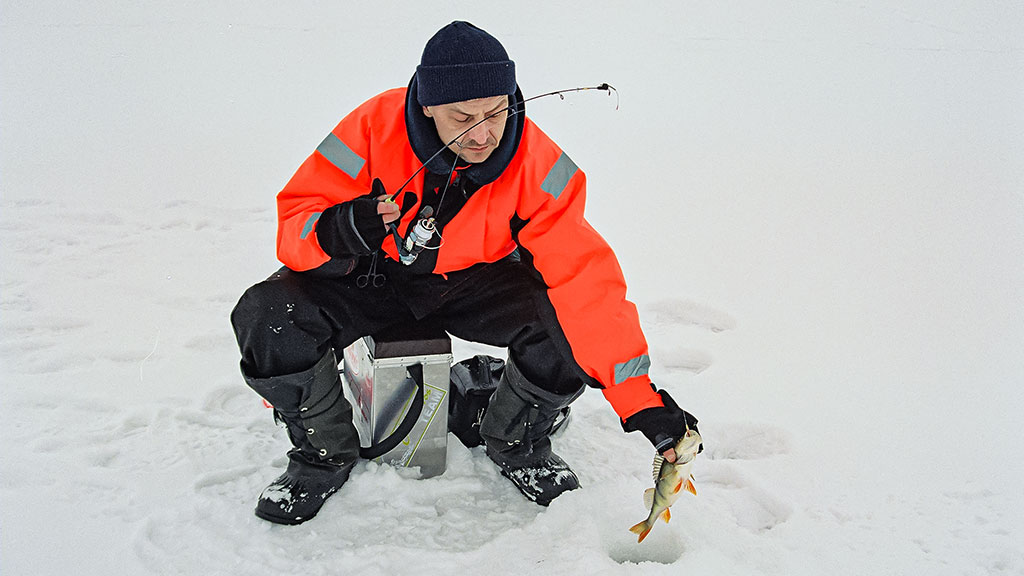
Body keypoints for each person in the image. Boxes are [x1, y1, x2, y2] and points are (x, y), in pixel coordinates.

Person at [231, 20, 699, 525]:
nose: (483, 133)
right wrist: (341, 230)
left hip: (475, 283)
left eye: (496, 112)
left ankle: (518, 442)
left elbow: (588, 286)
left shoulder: (540, 165)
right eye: (463, 117)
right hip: (372, 277)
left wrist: (642, 404)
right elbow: (293, 224)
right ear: (429, 106)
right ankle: (323, 455)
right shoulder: (371, 125)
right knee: (267, 311)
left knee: (564, 322)